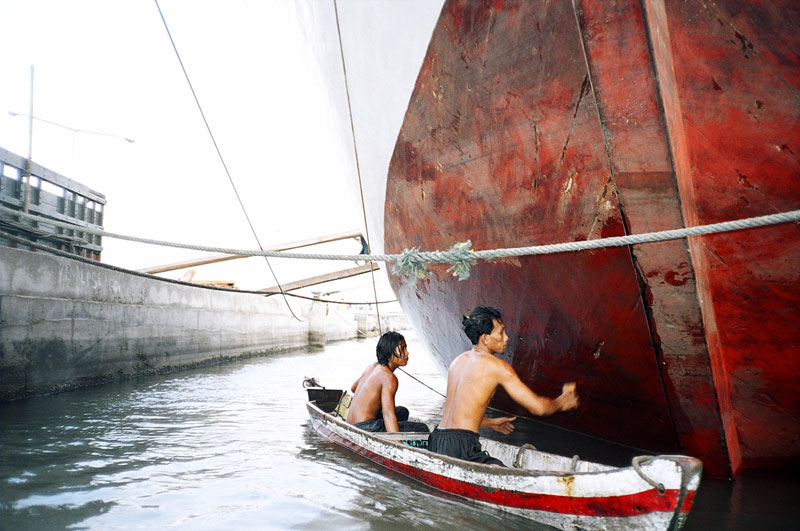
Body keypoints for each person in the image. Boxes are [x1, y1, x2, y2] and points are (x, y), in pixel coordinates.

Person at [428, 306, 579, 466]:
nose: (506, 338)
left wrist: (490, 422)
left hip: (437, 440)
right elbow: (538, 407)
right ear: (485, 338)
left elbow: (456, 417)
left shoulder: (457, 361)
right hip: (461, 447)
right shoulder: (497, 367)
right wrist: (562, 402)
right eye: (501, 332)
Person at [346, 331, 430, 433]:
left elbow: (354, 388)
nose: (407, 353)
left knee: (402, 412)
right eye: (402, 349)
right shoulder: (389, 378)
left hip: (352, 423)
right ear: (389, 353)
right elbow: (388, 414)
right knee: (422, 428)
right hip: (365, 427)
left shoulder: (372, 366)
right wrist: (397, 444)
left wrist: (373, 403)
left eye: (406, 348)